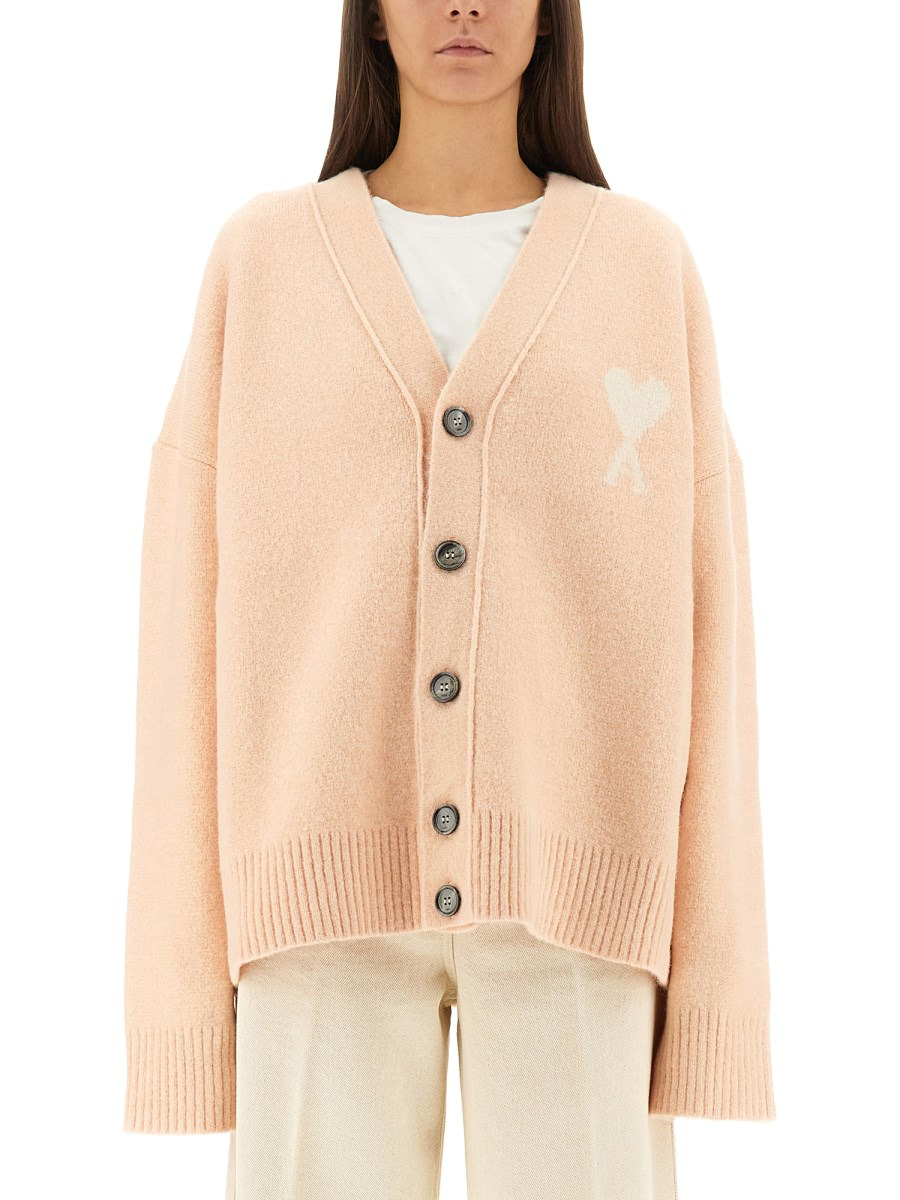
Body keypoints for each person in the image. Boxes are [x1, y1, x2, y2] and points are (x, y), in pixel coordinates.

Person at [122, 2, 777, 1197]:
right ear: (371, 17)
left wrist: (717, 992)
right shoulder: (263, 262)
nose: (464, 4)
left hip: (584, 915)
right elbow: (182, 636)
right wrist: (179, 1007)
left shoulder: (644, 266)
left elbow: (712, 631)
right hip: (315, 923)